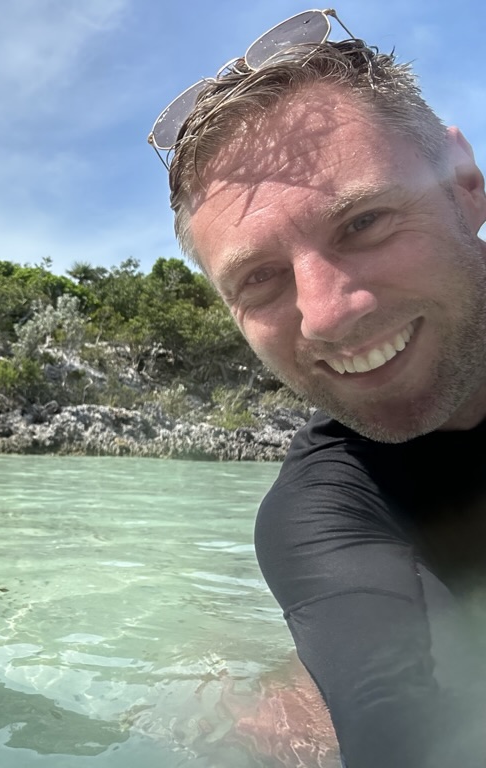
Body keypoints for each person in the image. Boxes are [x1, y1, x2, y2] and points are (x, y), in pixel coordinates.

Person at [148, 9, 486, 768]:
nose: (331, 316)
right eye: (261, 279)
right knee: (262, 730)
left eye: (364, 222)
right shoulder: (326, 515)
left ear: (465, 186)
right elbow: (399, 733)